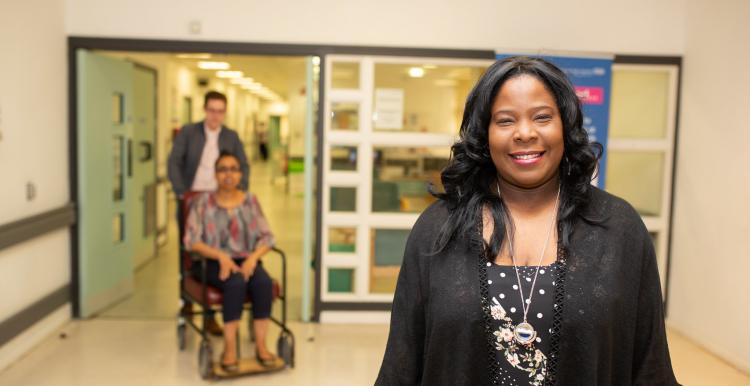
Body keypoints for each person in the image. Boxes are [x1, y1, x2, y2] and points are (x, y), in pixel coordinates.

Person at [376, 56, 679, 385]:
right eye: (505, 120)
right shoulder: (438, 230)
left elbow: (651, 366)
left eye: (542, 117)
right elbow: (401, 364)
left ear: (565, 125)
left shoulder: (618, 228)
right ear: (484, 134)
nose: (524, 133)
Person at [184, 152, 277, 371]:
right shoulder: (202, 203)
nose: (229, 174)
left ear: (240, 174)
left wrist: (253, 258)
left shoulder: (250, 201)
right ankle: (230, 349)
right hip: (210, 260)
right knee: (235, 283)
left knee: (263, 283)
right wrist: (221, 256)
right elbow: (191, 241)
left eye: (234, 169)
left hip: (245, 259)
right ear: (215, 174)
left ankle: (261, 346)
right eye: (223, 169)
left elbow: (268, 237)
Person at [168, 90, 250, 336]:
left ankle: (211, 315)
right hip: (193, 199)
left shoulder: (231, 136)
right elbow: (174, 161)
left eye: (220, 111)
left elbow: (243, 165)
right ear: (205, 110)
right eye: (212, 110)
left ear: (225, 112)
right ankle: (188, 303)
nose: (215, 115)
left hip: (222, 202)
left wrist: (240, 193)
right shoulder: (189, 132)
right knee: (190, 253)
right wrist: (182, 193)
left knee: (220, 250)